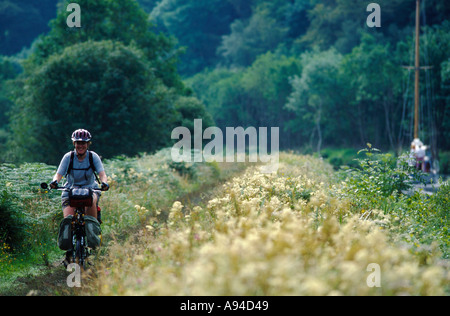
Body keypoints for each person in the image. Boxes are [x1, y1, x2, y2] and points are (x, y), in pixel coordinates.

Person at [51, 129, 109, 256]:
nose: (80, 145)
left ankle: (92, 236)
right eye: (78, 143)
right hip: (70, 190)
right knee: (68, 220)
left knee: (91, 207)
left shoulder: (93, 157)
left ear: (88, 144)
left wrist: (104, 183)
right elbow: (59, 174)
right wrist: (54, 182)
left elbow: (102, 174)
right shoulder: (68, 157)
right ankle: (69, 246)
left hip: (90, 189)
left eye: (83, 143)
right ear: (74, 143)